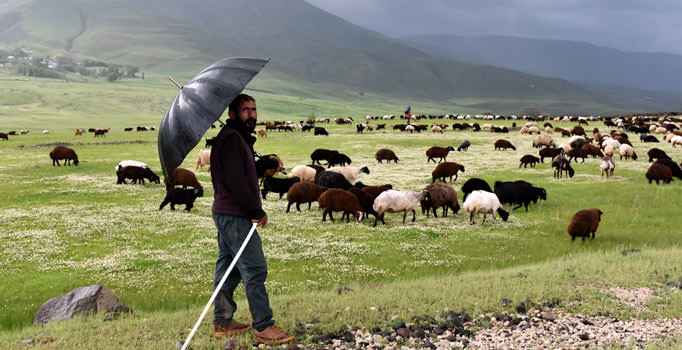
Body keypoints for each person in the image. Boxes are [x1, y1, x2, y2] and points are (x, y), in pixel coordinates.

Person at [209, 94, 294, 344]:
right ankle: (263, 326)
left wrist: (264, 164)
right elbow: (236, 182)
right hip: (235, 215)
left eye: (254, 109)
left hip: (226, 212)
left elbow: (242, 172)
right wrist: (256, 211)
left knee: (229, 268)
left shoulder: (236, 139)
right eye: (245, 110)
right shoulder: (232, 140)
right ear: (232, 114)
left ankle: (223, 321)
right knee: (255, 268)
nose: (252, 114)